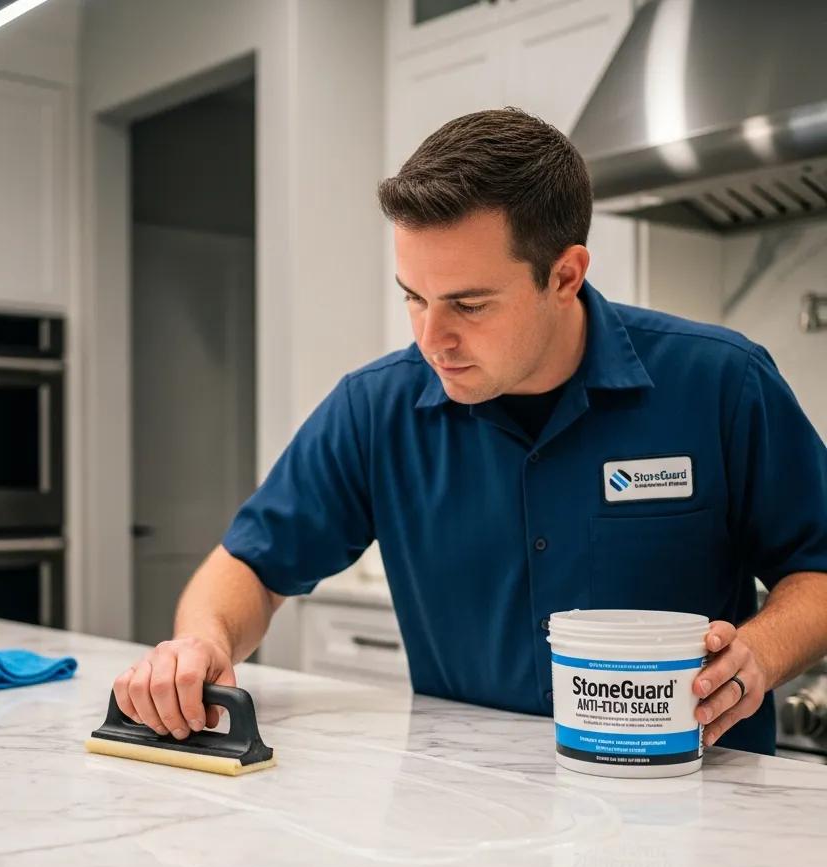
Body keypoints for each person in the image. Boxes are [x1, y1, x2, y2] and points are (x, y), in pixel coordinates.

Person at [113, 107, 827, 756]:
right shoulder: (375, 410)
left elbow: (818, 565)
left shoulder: (721, 383)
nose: (433, 338)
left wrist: (759, 653)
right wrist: (201, 642)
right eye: (414, 299)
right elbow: (249, 568)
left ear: (566, 274)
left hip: (693, 794)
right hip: (467, 804)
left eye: (470, 304)